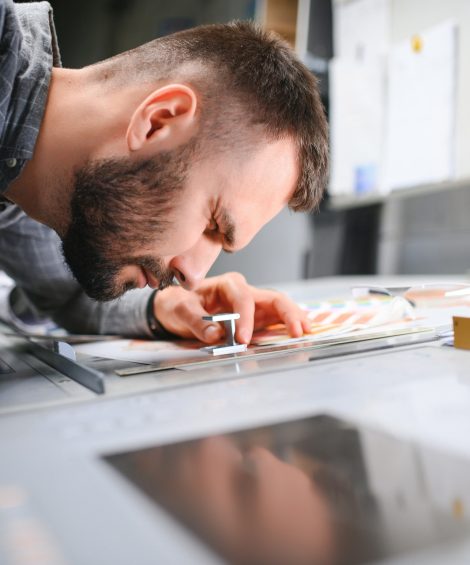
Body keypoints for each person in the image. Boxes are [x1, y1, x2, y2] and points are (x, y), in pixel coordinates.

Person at [0, 0, 328, 344]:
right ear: (159, 123)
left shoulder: (25, 180)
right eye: (213, 223)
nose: (194, 276)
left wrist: (165, 305)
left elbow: (64, 294)